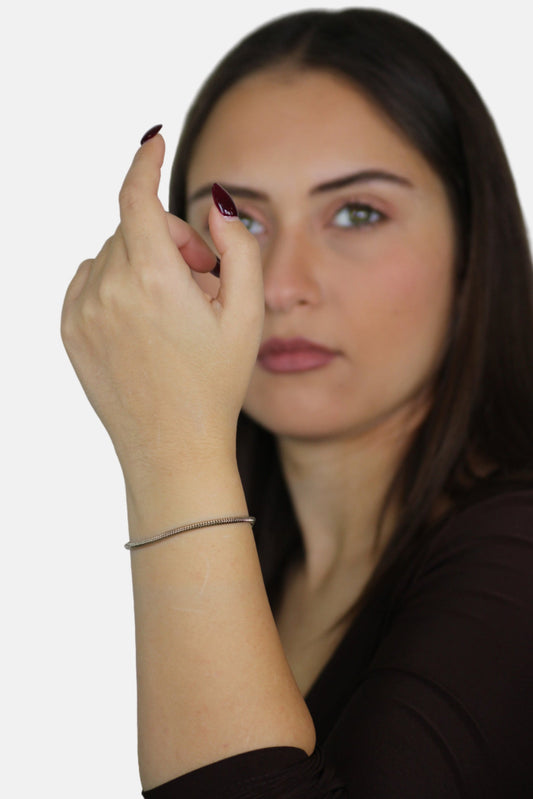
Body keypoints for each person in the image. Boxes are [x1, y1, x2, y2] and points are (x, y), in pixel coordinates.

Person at [61, 8, 533, 798]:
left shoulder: (518, 553)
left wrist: (171, 447)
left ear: (470, 245)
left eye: (356, 213)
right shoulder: (257, 553)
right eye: (239, 219)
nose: (280, 285)